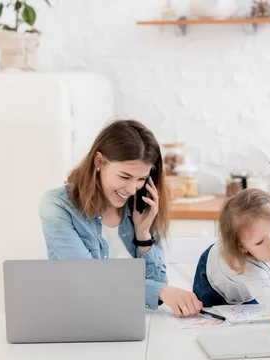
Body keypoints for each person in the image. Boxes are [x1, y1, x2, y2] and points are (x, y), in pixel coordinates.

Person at [39, 119, 202, 317]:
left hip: (132, 323)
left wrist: (143, 234)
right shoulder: (57, 206)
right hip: (80, 320)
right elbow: (86, 278)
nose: (132, 189)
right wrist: (158, 291)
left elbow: (158, 285)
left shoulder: (139, 208)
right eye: (124, 177)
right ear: (99, 162)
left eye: (141, 179)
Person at [192, 188, 270, 338]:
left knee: (249, 329)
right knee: (216, 331)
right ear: (242, 247)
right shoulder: (244, 264)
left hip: (248, 289)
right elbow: (266, 292)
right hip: (213, 284)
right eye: (259, 242)